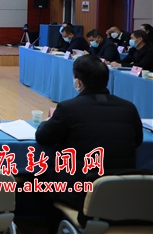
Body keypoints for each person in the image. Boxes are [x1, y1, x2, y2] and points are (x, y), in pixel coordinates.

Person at [36, 54, 142, 210]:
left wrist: (45, 123)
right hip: (122, 192)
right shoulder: (129, 108)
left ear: (78, 82)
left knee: (37, 176)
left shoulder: (68, 108)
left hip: (81, 193)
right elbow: (138, 141)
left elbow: (43, 137)